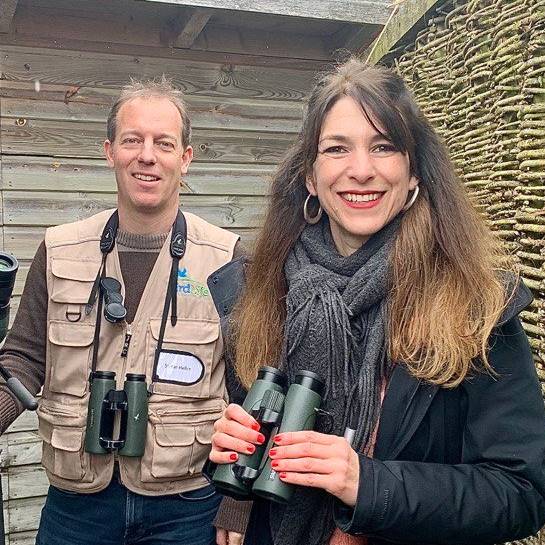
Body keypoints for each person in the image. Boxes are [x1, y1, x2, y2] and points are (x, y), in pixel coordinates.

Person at [208, 58, 545, 545]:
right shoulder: (259, 289)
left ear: (413, 173)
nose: (360, 171)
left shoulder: (476, 306)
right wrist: (233, 468)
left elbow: (520, 491)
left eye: (383, 147)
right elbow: (248, 425)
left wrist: (367, 484)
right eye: (336, 149)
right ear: (310, 175)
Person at [0, 77, 244, 545]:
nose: (146, 155)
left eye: (163, 143)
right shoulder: (58, 250)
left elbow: (251, 388)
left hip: (189, 506)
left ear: (185, 158)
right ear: (110, 151)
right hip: (76, 505)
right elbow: (22, 361)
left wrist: (239, 501)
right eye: (132, 140)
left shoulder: (227, 260)